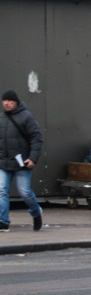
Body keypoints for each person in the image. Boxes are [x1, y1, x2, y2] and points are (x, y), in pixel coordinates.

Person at [1, 88, 44, 232]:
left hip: (22, 163)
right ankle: (3, 221)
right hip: (3, 162)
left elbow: (36, 138)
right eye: (5, 100)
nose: (6, 103)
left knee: (25, 192)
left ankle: (36, 212)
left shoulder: (26, 117)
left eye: (10, 101)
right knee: (1, 190)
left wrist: (33, 158)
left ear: (16, 103)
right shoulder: (1, 118)